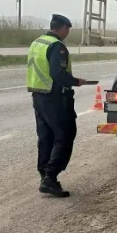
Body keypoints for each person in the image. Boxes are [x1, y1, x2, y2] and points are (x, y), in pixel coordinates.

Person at [26, 14, 86, 197]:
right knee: (65, 134)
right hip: (55, 98)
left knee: (46, 137)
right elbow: (57, 74)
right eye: (67, 29)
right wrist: (76, 81)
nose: (67, 33)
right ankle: (50, 178)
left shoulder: (37, 42)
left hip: (39, 96)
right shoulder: (57, 46)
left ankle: (45, 174)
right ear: (62, 28)